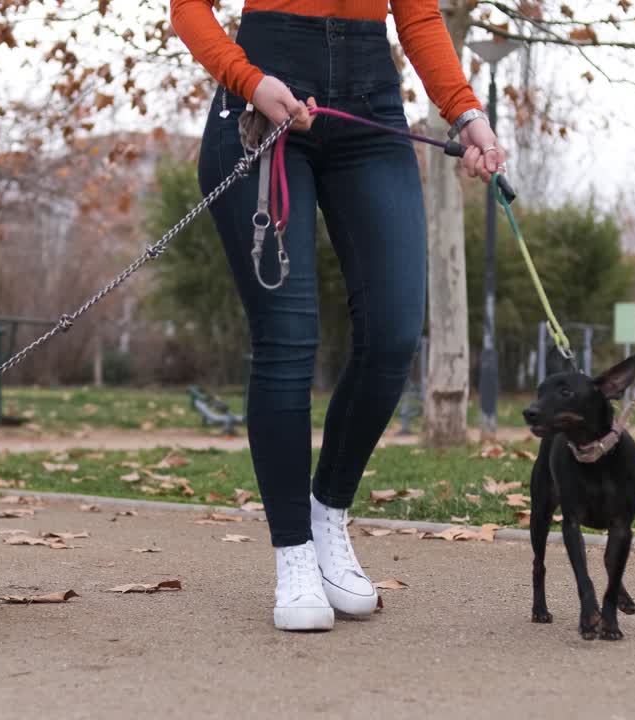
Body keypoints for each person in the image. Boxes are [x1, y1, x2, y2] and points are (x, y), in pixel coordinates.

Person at [170, 0, 503, 631]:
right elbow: (187, 8)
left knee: (396, 331)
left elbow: (421, 16)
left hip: (369, 100)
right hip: (260, 96)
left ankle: (328, 515)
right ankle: (294, 552)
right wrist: (248, 78)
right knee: (288, 339)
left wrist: (465, 112)